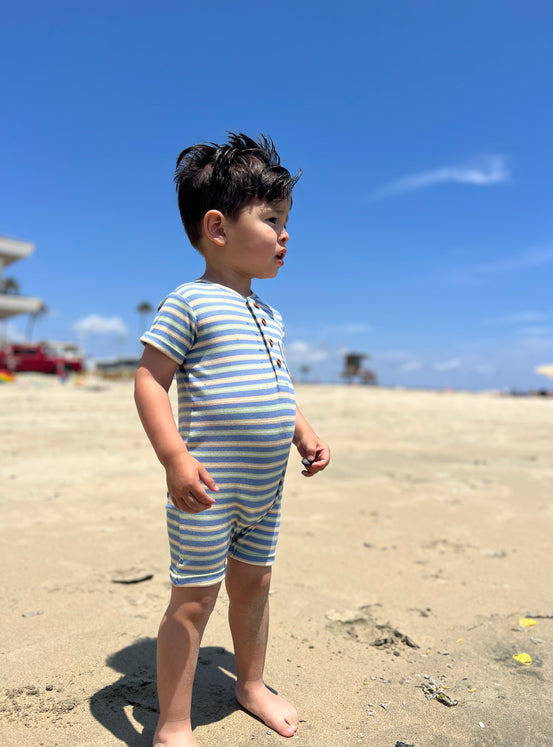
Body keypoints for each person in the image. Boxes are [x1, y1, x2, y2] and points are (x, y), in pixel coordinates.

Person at [134, 133, 330, 747]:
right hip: (207, 489)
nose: (285, 234)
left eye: (286, 221)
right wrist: (174, 459)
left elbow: (278, 384)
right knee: (193, 601)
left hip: (264, 492)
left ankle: (250, 685)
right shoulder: (188, 302)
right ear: (217, 228)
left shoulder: (269, 314)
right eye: (272, 220)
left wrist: (302, 429)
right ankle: (172, 723)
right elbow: (148, 381)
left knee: (255, 586)